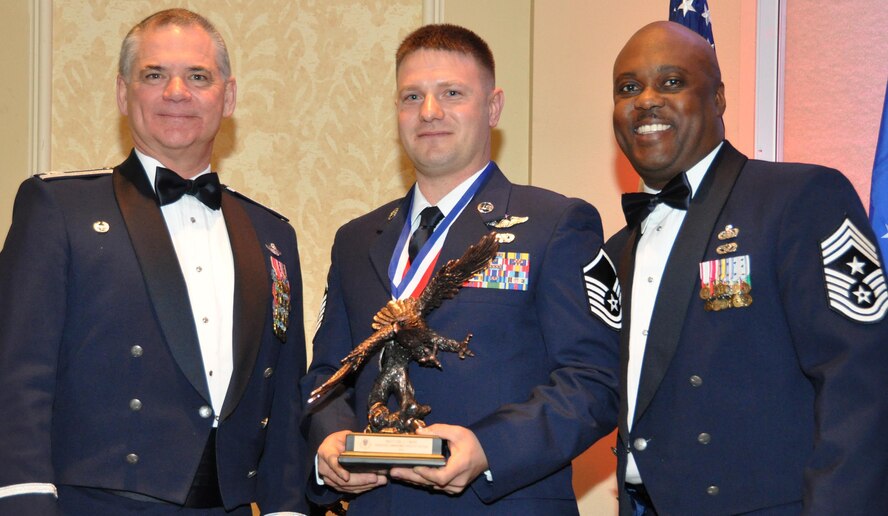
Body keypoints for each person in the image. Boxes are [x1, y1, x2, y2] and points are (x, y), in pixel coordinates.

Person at [301, 24, 619, 515]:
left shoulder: (554, 224)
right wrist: (330, 443)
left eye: (452, 93)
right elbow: (328, 374)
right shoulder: (356, 239)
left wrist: (491, 449)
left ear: (492, 108)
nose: (429, 112)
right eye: (412, 96)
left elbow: (593, 381)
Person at [0, 9, 308, 515]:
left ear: (227, 97)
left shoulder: (272, 235)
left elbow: (282, 395)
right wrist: (23, 501)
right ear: (124, 94)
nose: (177, 93)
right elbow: (19, 377)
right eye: (154, 75)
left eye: (198, 77)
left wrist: (286, 507)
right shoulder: (60, 209)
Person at [607, 21, 888, 515]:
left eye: (671, 82)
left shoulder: (800, 199)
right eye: (628, 88)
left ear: (717, 97)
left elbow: (860, 379)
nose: (646, 100)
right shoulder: (616, 249)